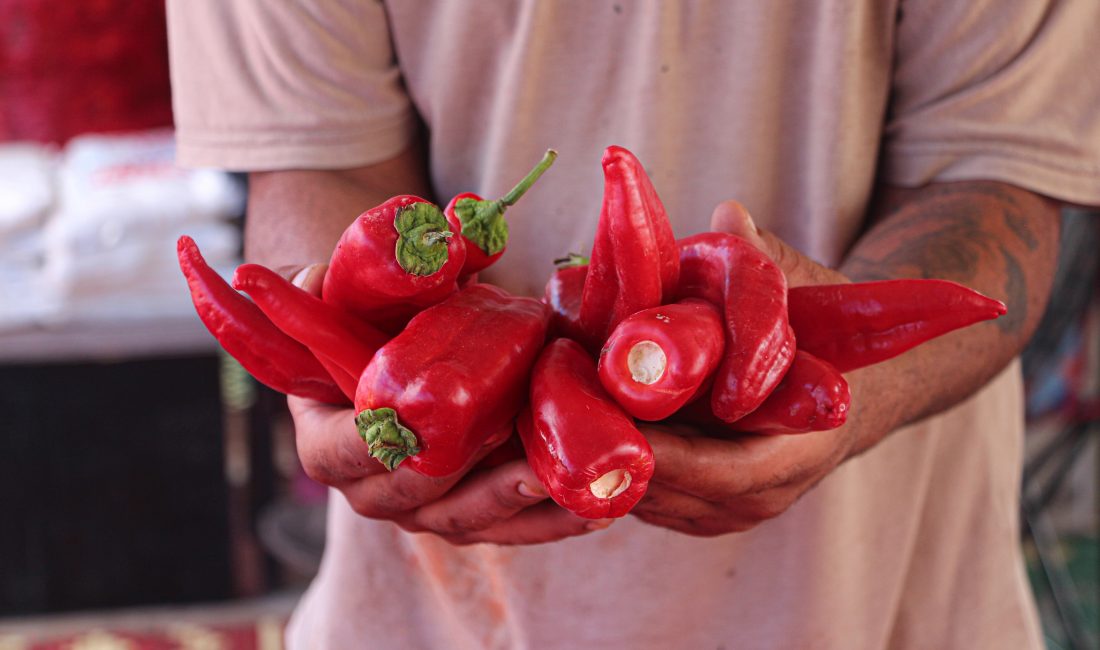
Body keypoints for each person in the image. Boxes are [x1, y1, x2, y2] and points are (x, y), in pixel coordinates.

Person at [167, 1, 1099, 647]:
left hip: (882, 604)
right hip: (437, 611)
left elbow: (997, 182)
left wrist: (848, 396)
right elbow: (315, 157)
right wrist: (350, 374)